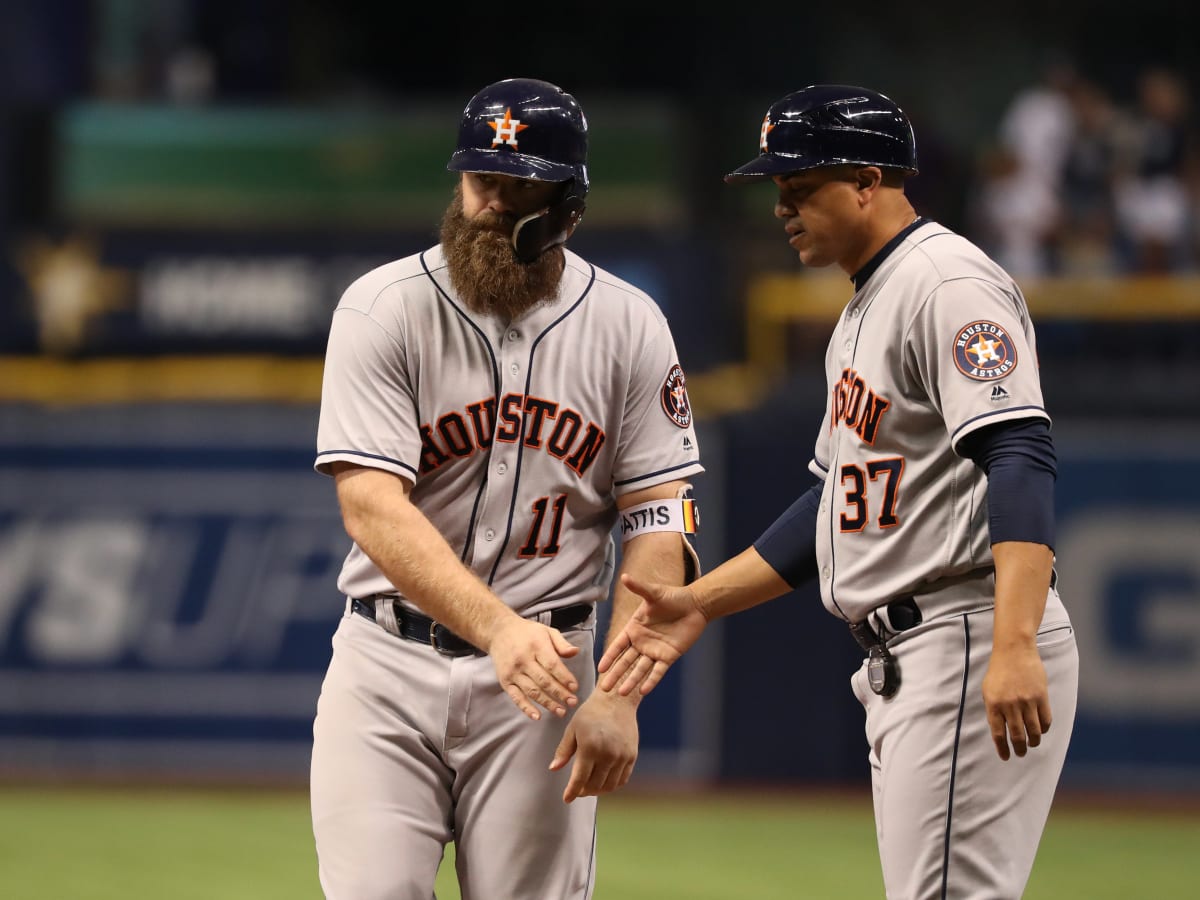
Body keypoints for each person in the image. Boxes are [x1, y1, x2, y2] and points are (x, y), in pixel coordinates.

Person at [599, 84, 1079, 900]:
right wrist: (700, 602)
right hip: (915, 649)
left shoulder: (945, 283)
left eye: (801, 188)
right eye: (778, 193)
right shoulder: (866, 301)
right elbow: (833, 503)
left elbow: (1020, 453)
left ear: (868, 180)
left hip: (963, 630)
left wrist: (1015, 641)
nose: (783, 209)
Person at [310, 77, 704, 900]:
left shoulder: (629, 324)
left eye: (516, 183)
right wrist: (496, 631)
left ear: (567, 203)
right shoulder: (383, 308)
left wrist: (620, 696)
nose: (490, 203)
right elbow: (371, 506)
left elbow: (660, 525)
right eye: (479, 179)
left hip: (549, 678)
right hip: (386, 668)